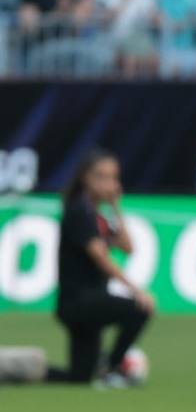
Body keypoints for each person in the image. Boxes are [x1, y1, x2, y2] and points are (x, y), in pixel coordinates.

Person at [43, 149, 154, 386]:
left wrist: (116, 207)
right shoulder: (79, 212)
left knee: (79, 378)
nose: (109, 184)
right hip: (79, 302)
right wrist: (137, 291)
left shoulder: (98, 216)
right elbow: (101, 258)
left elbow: (127, 247)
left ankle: (30, 371)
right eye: (101, 177)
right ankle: (112, 366)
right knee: (139, 310)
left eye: (113, 178)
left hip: (86, 302)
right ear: (85, 178)